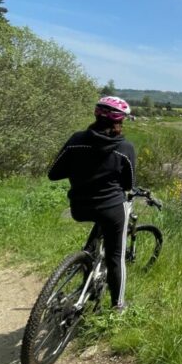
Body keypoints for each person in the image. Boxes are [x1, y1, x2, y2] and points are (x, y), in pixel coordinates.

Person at [48, 96, 136, 311]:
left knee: (97, 239)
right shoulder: (124, 148)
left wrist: (82, 169)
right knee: (116, 257)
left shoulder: (76, 140)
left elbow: (54, 173)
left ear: (96, 114)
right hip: (111, 208)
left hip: (80, 206)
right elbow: (128, 184)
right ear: (120, 120)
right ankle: (118, 305)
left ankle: (86, 262)